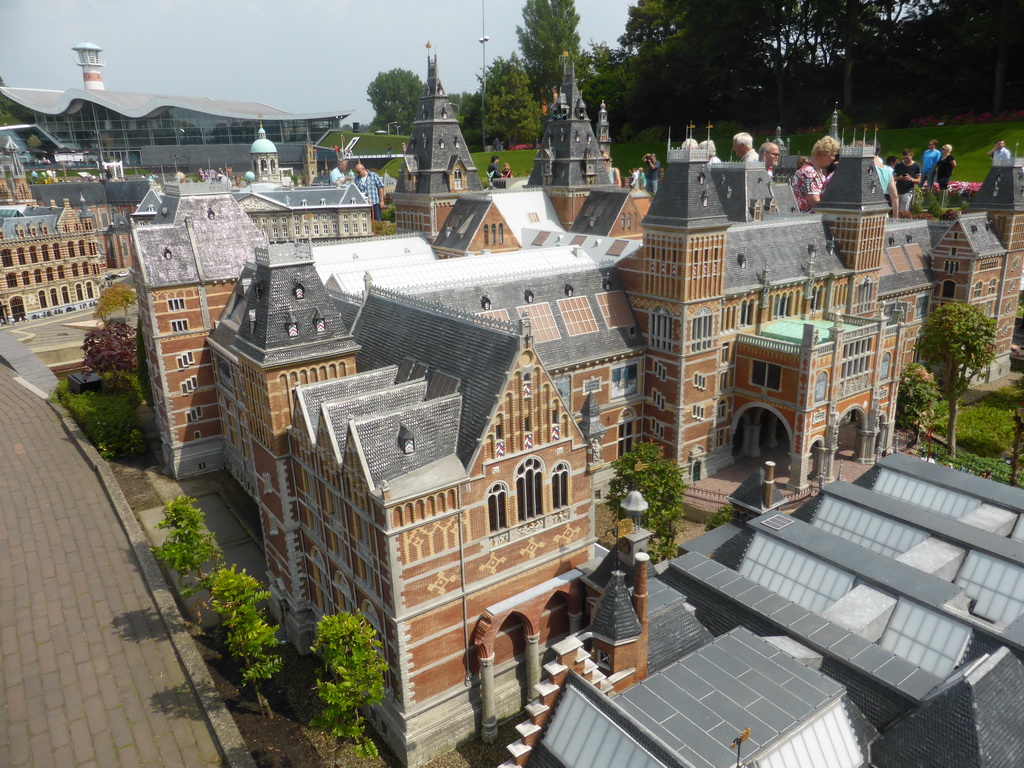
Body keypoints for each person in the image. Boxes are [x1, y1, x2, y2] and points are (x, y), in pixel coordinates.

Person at [791, 136, 839, 212]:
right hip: (808, 219)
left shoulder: (817, 172)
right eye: (832, 155)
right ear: (824, 153)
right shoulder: (808, 172)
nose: (833, 158)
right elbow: (814, 201)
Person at [873, 152, 899, 219]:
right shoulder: (887, 170)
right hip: (882, 210)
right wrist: (895, 218)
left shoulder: (866, 168)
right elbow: (895, 196)